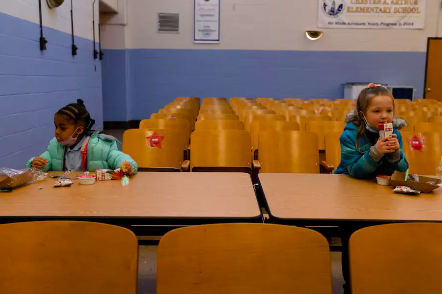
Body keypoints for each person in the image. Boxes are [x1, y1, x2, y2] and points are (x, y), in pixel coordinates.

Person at [334, 83, 409, 294]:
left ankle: (381, 280)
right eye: (377, 111)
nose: (384, 117)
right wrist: (375, 152)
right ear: (362, 114)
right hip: (351, 194)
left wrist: (396, 155)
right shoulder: (350, 135)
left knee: (384, 236)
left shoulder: (396, 134)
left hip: (382, 195)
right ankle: (351, 283)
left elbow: (402, 170)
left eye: (389, 111)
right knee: (354, 235)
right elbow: (355, 171)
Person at [26, 99, 138, 174]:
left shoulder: (100, 146)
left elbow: (118, 158)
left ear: (79, 130)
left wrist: (126, 165)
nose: (57, 132)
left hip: (92, 196)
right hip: (65, 197)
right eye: (56, 127)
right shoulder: (55, 146)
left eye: (62, 128)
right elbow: (45, 163)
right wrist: (35, 163)